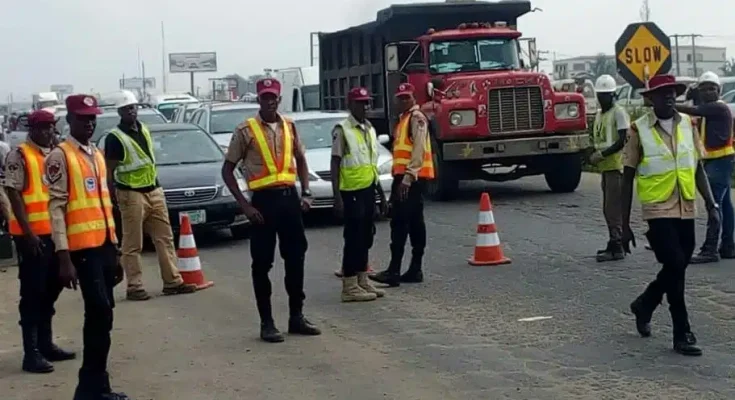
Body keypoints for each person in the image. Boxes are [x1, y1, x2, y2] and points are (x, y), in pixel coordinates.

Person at [621, 75, 719, 357]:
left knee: (678, 265)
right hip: (657, 208)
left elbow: (698, 168)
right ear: (650, 98)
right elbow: (627, 178)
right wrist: (624, 225)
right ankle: (682, 332)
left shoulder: (688, 125)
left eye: (672, 93)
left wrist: (711, 205)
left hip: (686, 206)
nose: (668, 97)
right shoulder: (638, 130)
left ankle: (646, 303)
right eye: (662, 93)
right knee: (675, 263)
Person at [221, 78, 321, 342]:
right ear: (258, 100)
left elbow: (300, 159)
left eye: (273, 97)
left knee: (296, 258)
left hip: (289, 200)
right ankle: (267, 323)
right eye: (265, 97)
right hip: (262, 204)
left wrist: (307, 192)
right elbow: (227, 170)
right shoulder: (246, 130)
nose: (269, 101)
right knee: (262, 263)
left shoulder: (289, 126)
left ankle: (296, 317)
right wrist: (245, 205)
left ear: (279, 99)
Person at [46, 94, 129, 398]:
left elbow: (105, 205)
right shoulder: (61, 156)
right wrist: (63, 257)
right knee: (98, 314)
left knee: (103, 318)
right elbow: (56, 208)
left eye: (93, 117)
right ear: (69, 120)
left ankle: (96, 386)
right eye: (83, 118)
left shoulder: (95, 154)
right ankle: (89, 387)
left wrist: (117, 250)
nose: (90, 122)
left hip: (105, 247)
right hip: (82, 252)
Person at [103, 90, 196, 300]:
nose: (131, 112)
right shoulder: (115, 138)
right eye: (127, 109)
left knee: (165, 238)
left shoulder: (143, 129)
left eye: (133, 107)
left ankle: (172, 281)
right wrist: (113, 197)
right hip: (131, 193)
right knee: (133, 243)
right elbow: (109, 172)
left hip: (153, 189)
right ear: (120, 112)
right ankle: (134, 286)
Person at [4, 109, 75, 373]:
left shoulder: (55, 153)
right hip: (31, 237)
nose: (48, 132)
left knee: (52, 288)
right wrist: (28, 233)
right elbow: (14, 194)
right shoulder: (20, 155)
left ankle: (46, 344)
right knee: (33, 292)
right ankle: (31, 352)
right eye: (43, 128)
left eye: (51, 127)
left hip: (55, 234)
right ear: (32, 130)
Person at [370, 83, 434, 287]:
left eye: (407, 97)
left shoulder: (416, 118)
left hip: (410, 179)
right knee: (415, 223)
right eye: (400, 97)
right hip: (409, 178)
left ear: (413, 98)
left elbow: (418, 150)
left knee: (399, 223)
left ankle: (394, 271)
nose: (403, 100)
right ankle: (414, 269)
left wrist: (408, 177)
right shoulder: (405, 119)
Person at [330, 87, 388, 302]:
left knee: (366, 236)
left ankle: (362, 279)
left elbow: (371, 165)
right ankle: (349, 284)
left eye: (366, 103)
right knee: (353, 239)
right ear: (350, 105)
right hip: (350, 191)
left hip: (367, 190)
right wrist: (336, 197)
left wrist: (381, 194)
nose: (364, 107)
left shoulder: (369, 128)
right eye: (360, 103)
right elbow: (335, 163)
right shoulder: (342, 130)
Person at [675, 71, 735, 264]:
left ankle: (710, 249)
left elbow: (694, 111)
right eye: (704, 89)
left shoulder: (718, 108)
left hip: (719, 162)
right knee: (725, 205)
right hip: (718, 162)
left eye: (712, 89)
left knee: (714, 204)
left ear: (719, 90)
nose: (709, 92)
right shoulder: (711, 109)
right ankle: (727, 246)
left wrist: (669, 105)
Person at [587, 75, 630, 262]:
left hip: (616, 166)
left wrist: (602, 154)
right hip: (605, 167)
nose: (603, 98)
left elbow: (622, 140)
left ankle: (617, 245)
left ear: (613, 95)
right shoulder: (599, 114)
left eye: (607, 95)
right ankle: (614, 242)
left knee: (613, 209)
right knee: (608, 209)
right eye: (601, 95)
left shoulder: (619, 113)